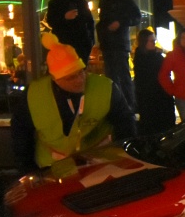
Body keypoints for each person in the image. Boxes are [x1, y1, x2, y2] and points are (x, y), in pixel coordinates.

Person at [10, 33, 136, 176]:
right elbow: (21, 133)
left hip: (98, 166)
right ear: (55, 78)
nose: (80, 80)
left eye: (81, 72)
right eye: (71, 77)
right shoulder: (34, 94)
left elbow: (125, 122)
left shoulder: (106, 88)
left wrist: (124, 157)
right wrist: (28, 171)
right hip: (50, 170)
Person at [96, 0, 142, 107]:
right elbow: (103, 22)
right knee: (111, 77)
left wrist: (120, 23)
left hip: (119, 43)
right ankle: (116, 104)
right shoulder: (104, 0)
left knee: (122, 75)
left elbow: (136, 16)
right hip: (108, 44)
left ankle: (128, 104)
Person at [132, 28, 176, 137]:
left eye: (154, 40)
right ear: (144, 42)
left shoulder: (144, 55)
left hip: (158, 95)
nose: (154, 43)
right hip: (152, 97)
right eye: (152, 41)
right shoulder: (146, 58)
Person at [45, 0, 95, 67]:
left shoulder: (82, 3)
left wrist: (90, 41)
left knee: (80, 74)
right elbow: (51, 21)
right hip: (63, 48)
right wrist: (64, 17)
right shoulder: (56, 2)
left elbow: (90, 23)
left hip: (81, 49)